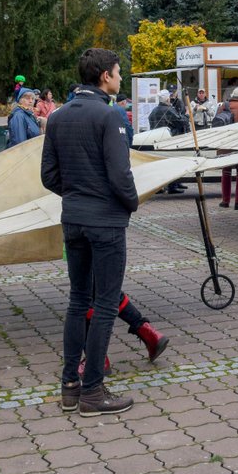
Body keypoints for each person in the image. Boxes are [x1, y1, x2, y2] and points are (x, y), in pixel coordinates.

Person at [41, 48, 138, 416]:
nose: (120, 78)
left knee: (78, 300)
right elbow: (120, 173)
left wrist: (78, 194)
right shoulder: (109, 114)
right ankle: (93, 391)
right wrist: (130, 202)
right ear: (103, 77)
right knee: (105, 304)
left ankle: (70, 386)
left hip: (73, 219)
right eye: (117, 72)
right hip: (106, 222)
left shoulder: (59, 116)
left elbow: (48, 176)